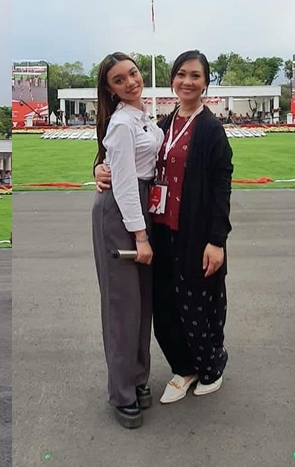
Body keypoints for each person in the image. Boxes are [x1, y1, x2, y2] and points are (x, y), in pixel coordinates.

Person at [96, 50, 233, 407]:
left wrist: (216, 240)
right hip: (159, 226)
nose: (187, 82)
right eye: (181, 74)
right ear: (173, 79)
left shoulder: (210, 129)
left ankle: (210, 366)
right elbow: (126, 161)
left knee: (199, 300)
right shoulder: (164, 123)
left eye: (196, 76)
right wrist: (99, 169)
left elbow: (221, 187)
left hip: (194, 231)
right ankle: (183, 367)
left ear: (205, 82)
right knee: (164, 303)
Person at [90, 52, 163, 429]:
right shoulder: (121, 123)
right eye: (120, 79)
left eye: (133, 73)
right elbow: (122, 182)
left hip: (142, 207)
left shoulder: (143, 119)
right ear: (110, 89)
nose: (131, 81)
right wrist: (140, 235)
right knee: (123, 307)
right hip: (121, 215)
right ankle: (121, 393)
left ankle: (137, 377)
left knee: (142, 305)